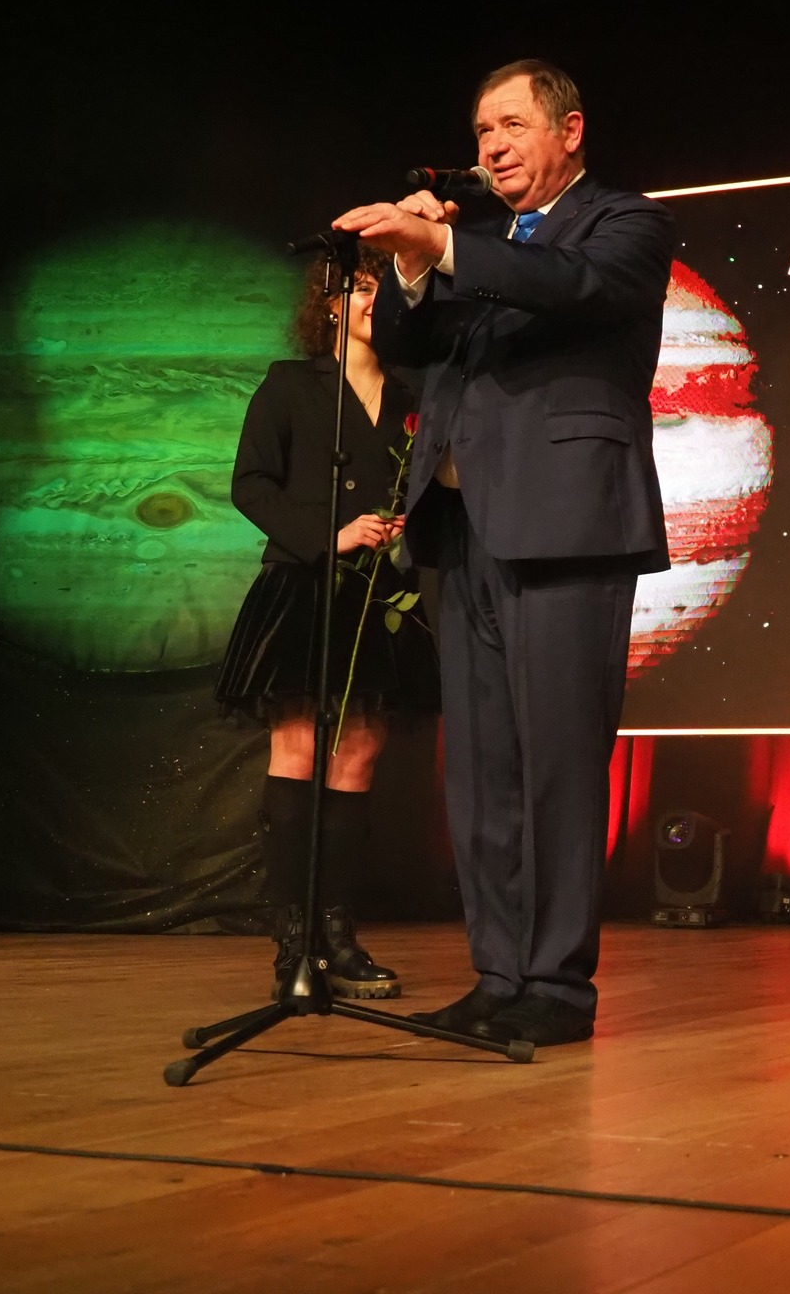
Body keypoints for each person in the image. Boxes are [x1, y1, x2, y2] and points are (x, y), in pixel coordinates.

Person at [332, 59, 673, 1048]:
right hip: (464, 522)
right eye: (482, 130)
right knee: (479, 772)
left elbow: (571, 287)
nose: (490, 146)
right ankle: (498, 974)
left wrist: (440, 244)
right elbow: (409, 345)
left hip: (567, 521)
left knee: (558, 761)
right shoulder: (481, 246)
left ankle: (556, 987)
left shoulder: (622, 224)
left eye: (511, 124)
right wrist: (410, 268)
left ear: (570, 130)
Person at [216, 248, 440, 1000]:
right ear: (331, 303)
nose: (374, 303)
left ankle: (338, 938)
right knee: (299, 749)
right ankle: (293, 946)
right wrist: (331, 534)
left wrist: (411, 525)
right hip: (306, 587)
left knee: (359, 757)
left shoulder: (413, 394)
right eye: (362, 289)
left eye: (384, 290)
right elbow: (250, 484)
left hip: (381, 595)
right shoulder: (290, 383)